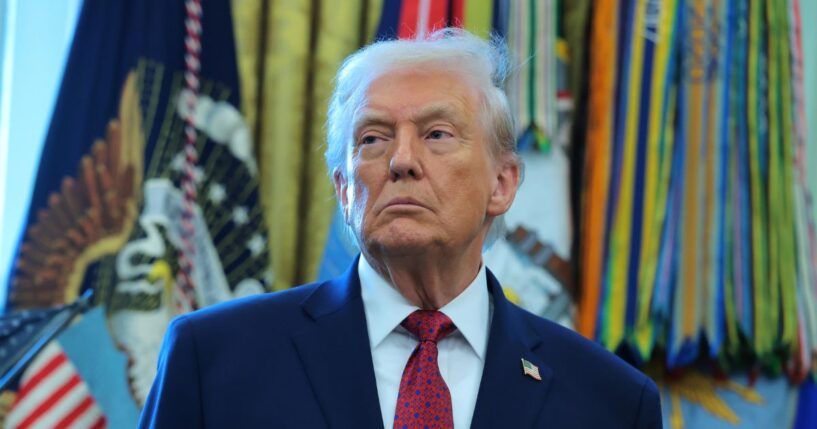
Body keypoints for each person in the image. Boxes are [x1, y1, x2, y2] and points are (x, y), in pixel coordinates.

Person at [138, 28, 662, 428]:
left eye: (436, 134)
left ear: (502, 184)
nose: (402, 160)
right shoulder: (213, 360)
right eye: (372, 138)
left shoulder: (610, 399)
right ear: (344, 188)